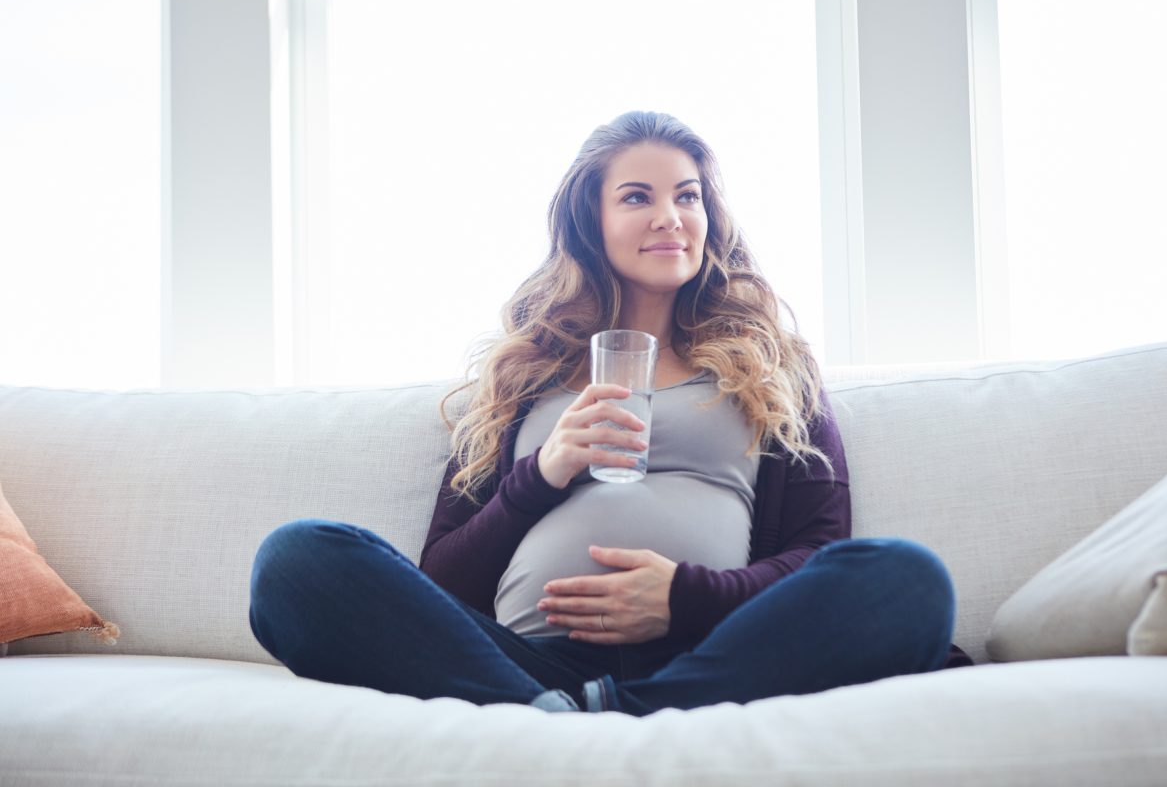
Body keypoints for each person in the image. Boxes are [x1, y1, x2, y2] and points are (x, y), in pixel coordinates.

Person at [248, 110, 973, 717]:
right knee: (296, 559)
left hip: (709, 653)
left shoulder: (774, 368)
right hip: (526, 662)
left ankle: (594, 720)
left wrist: (684, 597)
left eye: (688, 197)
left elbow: (818, 551)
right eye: (637, 197)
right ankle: (591, 715)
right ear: (590, 221)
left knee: (906, 579)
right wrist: (542, 474)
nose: (670, 217)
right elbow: (440, 582)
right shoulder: (520, 378)